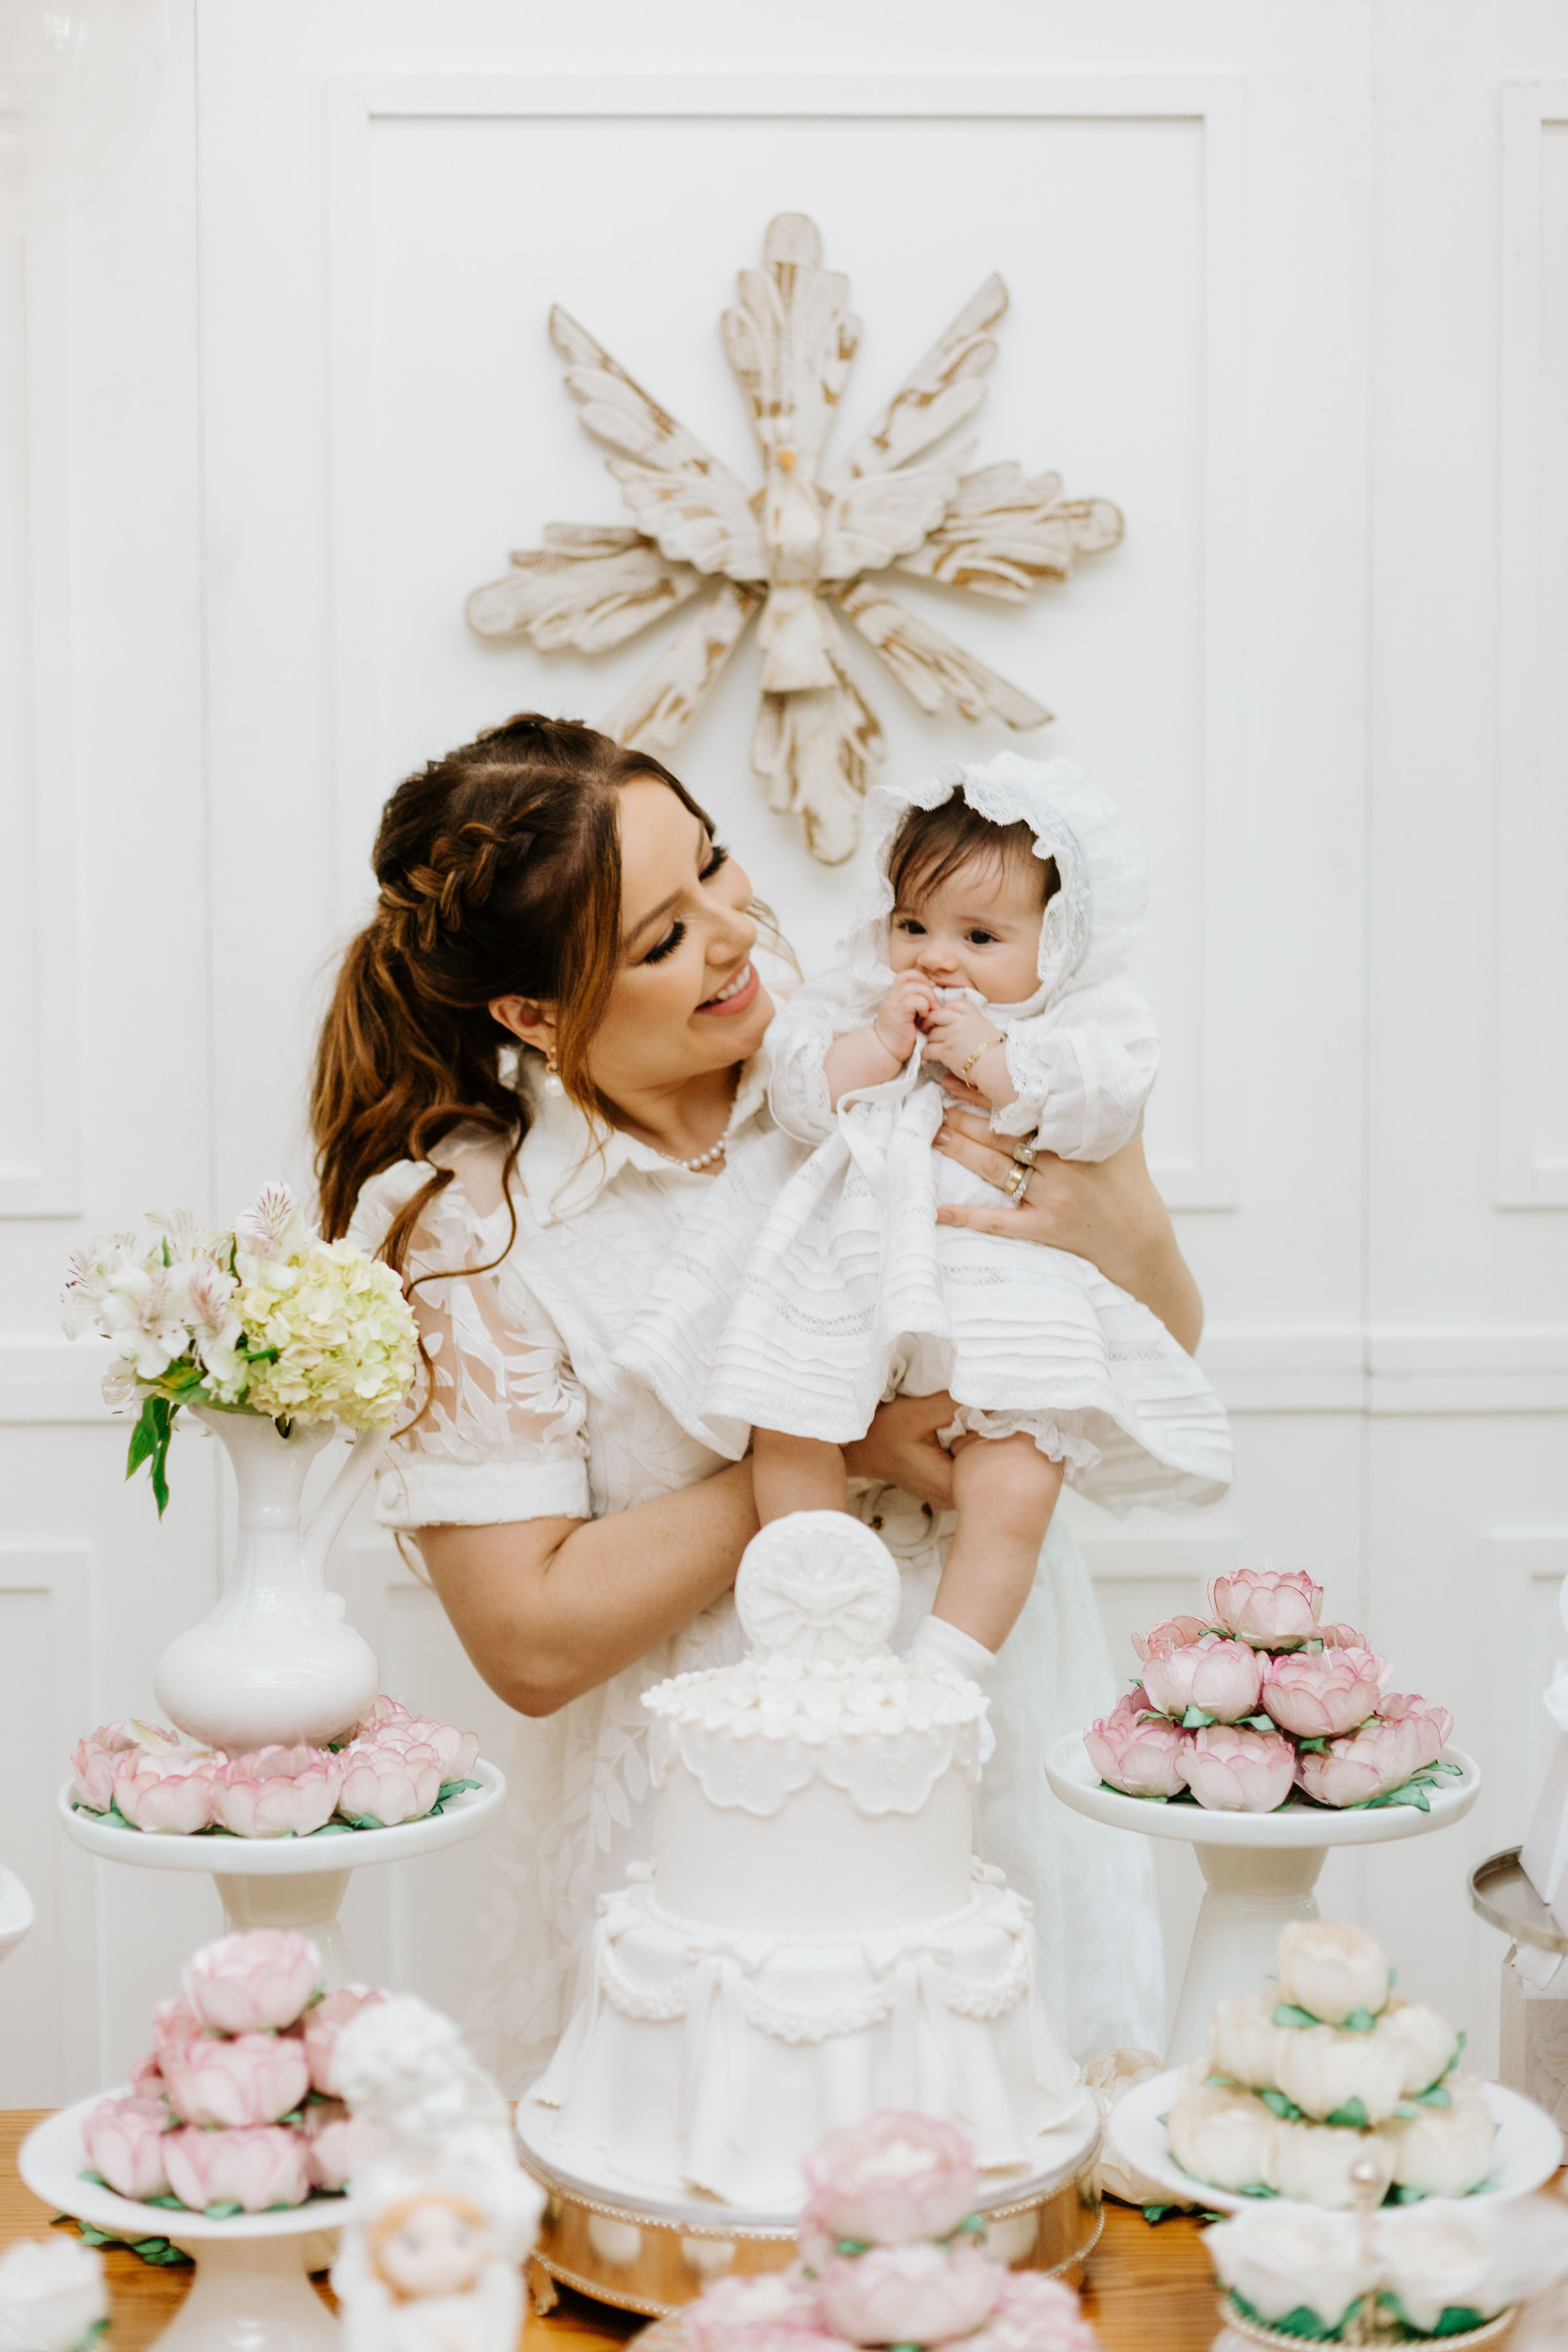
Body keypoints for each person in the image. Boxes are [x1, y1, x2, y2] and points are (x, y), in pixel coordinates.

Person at [312, 712, 1206, 2087]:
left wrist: (1119, 1204)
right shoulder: (476, 1225)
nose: (734, 935)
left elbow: (1152, 1335)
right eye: (662, 939)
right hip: (724, 1847)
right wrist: (850, 1452)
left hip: (999, 1737)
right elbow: (531, 1641)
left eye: (717, 868)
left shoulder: (883, 1048)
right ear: (533, 1014)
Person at [618, 755, 1232, 1688]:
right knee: (790, 1422)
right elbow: (800, 1096)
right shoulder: (858, 999)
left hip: (1003, 1289)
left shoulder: (1080, 1020)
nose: (935, 956)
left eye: (980, 934)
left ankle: (950, 1664)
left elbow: (1100, 1108)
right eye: (913, 923)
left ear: (1058, 942)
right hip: (854, 1273)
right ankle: (813, 1623)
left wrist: (995, 1059)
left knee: (1016, 1474)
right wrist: (879, 1045)